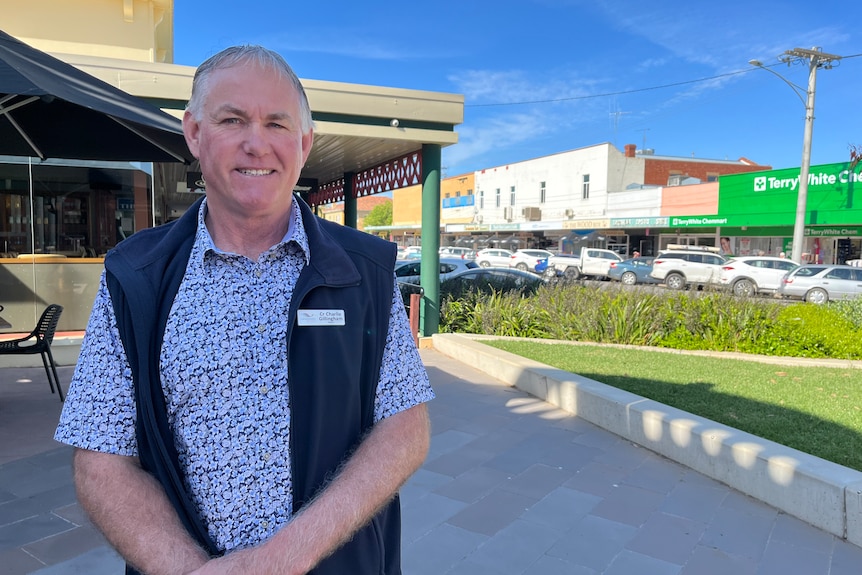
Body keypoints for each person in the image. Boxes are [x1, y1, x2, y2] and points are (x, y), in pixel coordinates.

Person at [55, 45, 434, 575]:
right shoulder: (134, 278)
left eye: (277, 124)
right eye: (232, 119)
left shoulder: (365, 271)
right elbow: (100, 459)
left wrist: (285, 557)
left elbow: (405, 428)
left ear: (304, 144)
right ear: (194, 133)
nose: (257, 144)